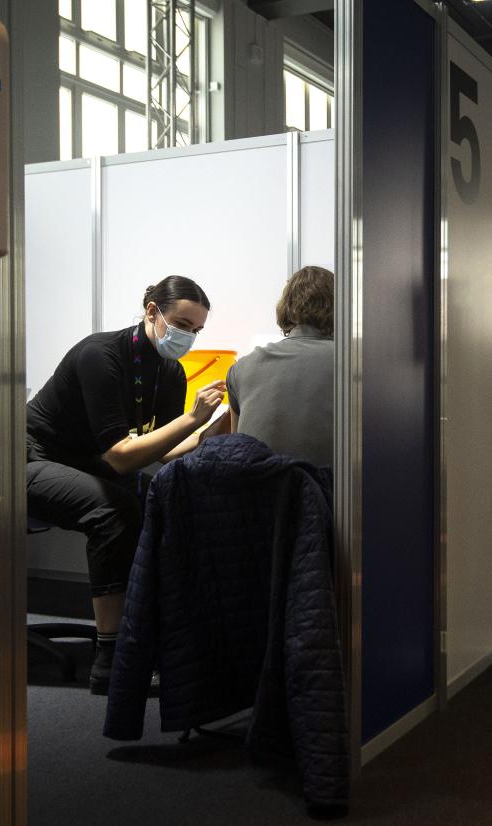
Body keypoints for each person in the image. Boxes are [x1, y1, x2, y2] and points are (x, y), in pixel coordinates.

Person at [25, 275, 226, 694]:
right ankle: (111, 660)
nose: (188, 337)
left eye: (197, 330)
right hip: (29, 458)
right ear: (152, 312)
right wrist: (192, 419)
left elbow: (159, 450)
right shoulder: (101, 354)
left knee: (156, 496)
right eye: (182, 325)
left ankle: (150, 640)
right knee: (114, 510)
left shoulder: (169, 372)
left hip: (81, 463)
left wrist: (207, 432)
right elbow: (119, 456)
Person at [221, 265, 335, 469]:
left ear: (285, 307)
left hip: (260, 494)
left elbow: (238, 446)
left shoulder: (242, 368)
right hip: (329, 496)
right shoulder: (357, 366)